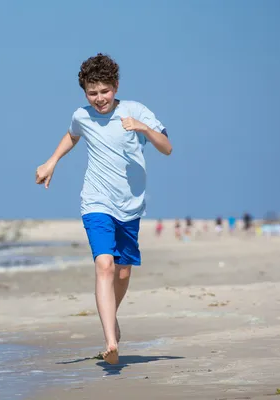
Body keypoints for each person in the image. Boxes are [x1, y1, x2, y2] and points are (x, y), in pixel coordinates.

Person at [35, 53, 172, 364]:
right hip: (96, 201)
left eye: (105, 91)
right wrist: (51, 162)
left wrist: (142, 128)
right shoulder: (81, 116)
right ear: (85, 93)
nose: (99, 99)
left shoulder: (135, 111)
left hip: (130, 206)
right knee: (105, 266)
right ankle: (111, 341)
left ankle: (113, 318)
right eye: (92, 93)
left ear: (116, 86)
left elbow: (167, 148)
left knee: (123, 272)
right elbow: (72, 135)